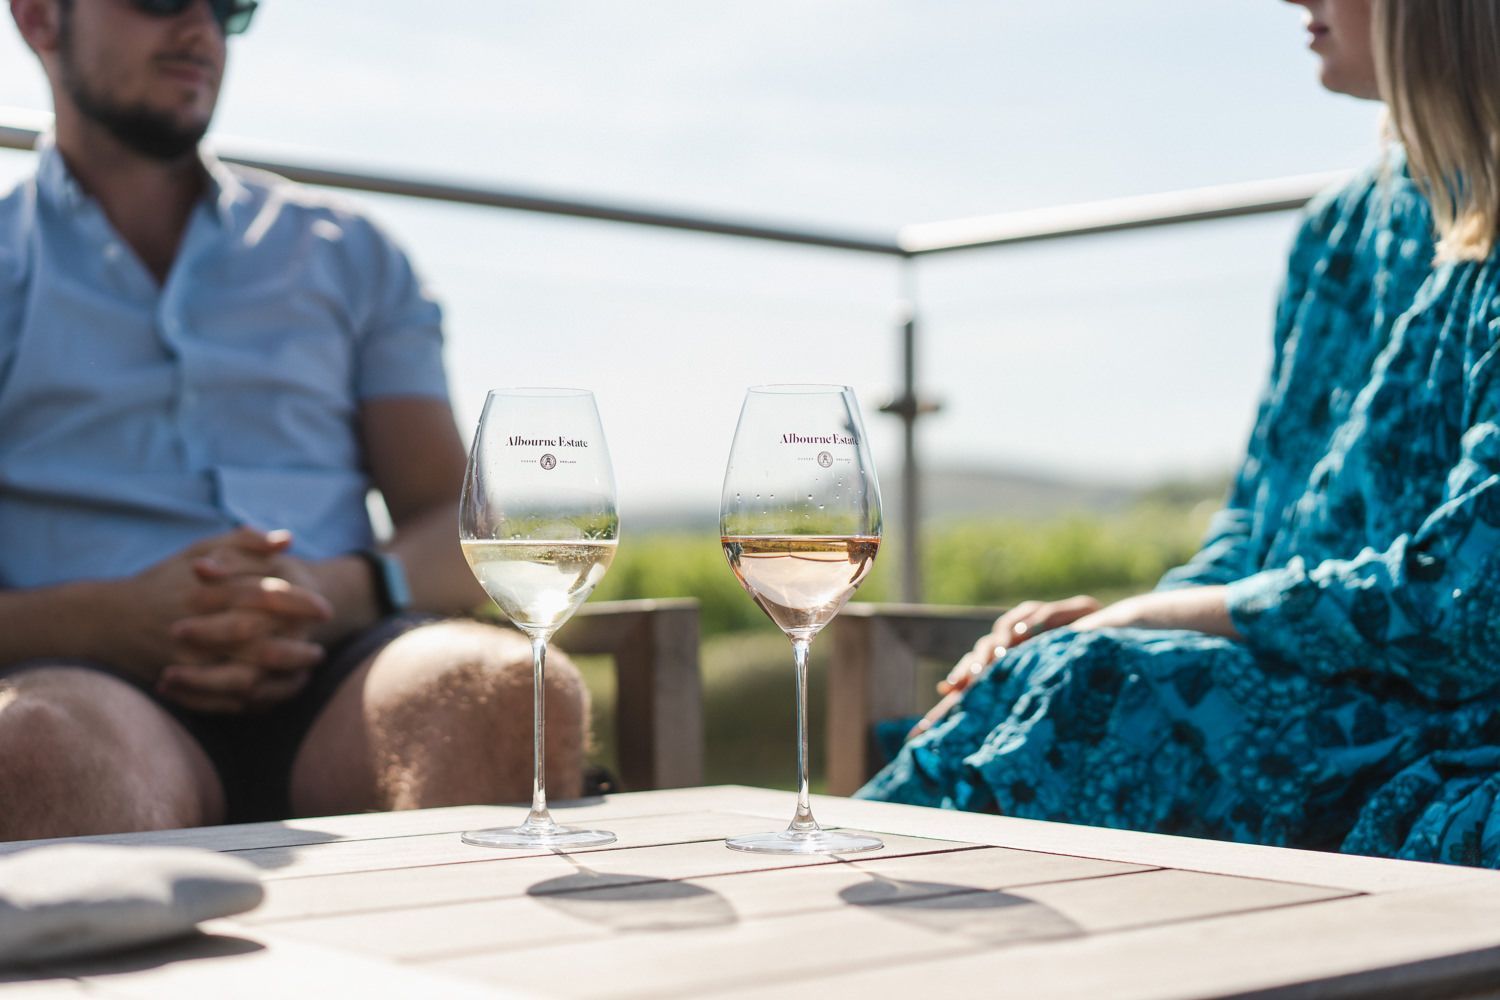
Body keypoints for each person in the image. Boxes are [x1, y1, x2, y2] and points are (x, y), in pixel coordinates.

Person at [860, 0, 1500, 868]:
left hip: (1445, 708)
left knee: (1090, 692)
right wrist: (1131, 624)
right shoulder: (1337, 231)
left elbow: (1471, 593)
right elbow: (1253, 526)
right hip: (1296, 680)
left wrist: (1153, 618)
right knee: (1050, 671)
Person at [0, 0, 589, 838]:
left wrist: (335, 590)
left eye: (228, 6)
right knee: (37, 749)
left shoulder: (346, 253)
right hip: (83, 676)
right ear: (38, 20)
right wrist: (107, 620)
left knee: (500, 697)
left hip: (346, 668)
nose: (199, 29)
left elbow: (461, 528)